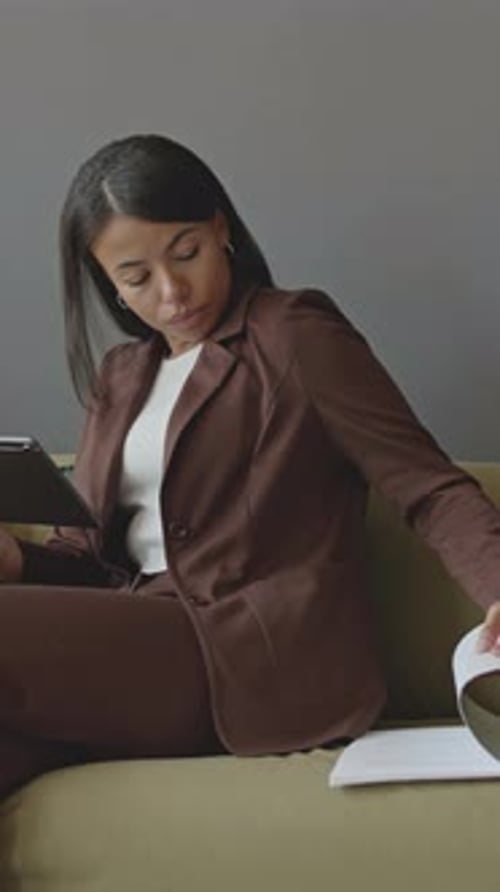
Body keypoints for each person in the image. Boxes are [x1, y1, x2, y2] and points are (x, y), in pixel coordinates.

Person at [0, 133, 500, 798]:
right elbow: (91, 562)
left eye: (187, 252)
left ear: (220, 230)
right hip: (132, 643)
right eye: (137, 277)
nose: (173, 292)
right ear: (108, 284)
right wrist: (15, 564)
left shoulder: (293, 335)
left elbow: (428, 488)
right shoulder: (121, 378)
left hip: (241, 654)